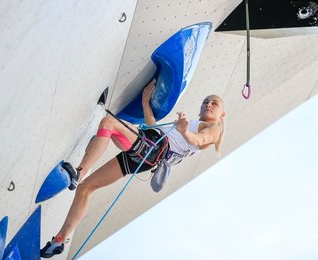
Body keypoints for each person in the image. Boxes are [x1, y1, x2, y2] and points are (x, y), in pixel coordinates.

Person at [40, 79, 226, 258]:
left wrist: (184, 131)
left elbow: (199, 140)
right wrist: (146, 103)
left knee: (109, 123)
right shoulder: (192, 124)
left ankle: (78, 173)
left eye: (214, 103)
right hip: (148, 151)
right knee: (86, 188)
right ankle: (60, 240)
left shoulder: (212, 129)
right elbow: (157, 129)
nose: (208, 104)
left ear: (222, 114)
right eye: (205, 102)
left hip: (152, 148)